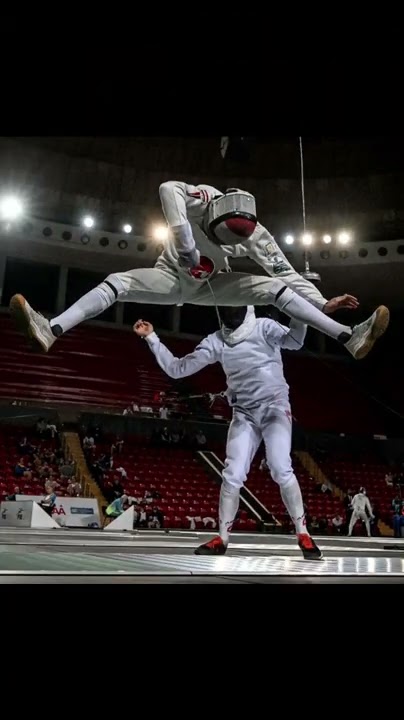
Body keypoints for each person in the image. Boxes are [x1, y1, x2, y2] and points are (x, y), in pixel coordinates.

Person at [10, 183, 388, 359]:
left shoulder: (258, 235)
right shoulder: (202, 199)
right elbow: (165, 188)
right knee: (118, 283)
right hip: (173, 277)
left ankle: (347, 336)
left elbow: (288, 273)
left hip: (215, 285)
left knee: (273, 287)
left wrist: (322, 302)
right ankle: (52, 327)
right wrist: (186, 243)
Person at [134, 307, 322, 560]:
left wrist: (298, 311)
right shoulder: (217, 341)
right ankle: (222, 539)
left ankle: (303, 533)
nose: (231, 313)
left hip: (275, 407)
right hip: (244, 413)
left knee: (280, 467)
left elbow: (296, 341)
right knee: (232, 474)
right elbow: (177, 369)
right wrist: (152, 337)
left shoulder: (264, 326)